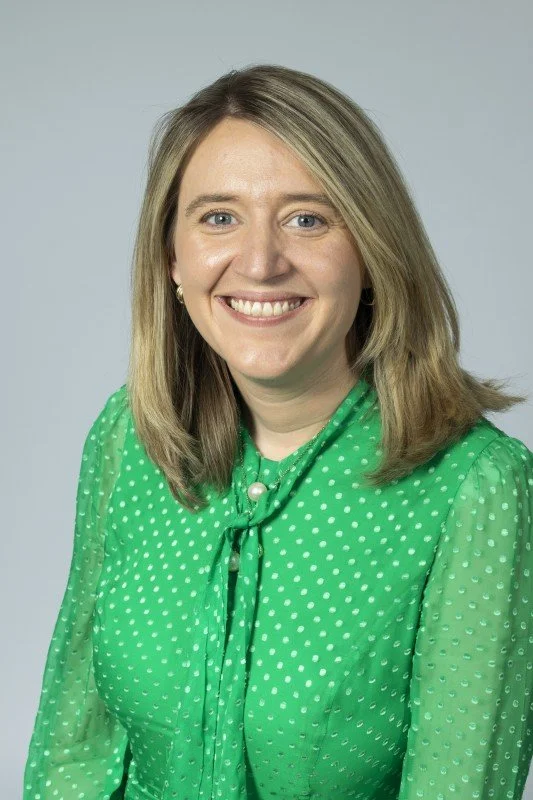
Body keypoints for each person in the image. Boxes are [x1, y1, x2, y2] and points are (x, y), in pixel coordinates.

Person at [23, 63, 533, 800]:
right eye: (219, 217)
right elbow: (73, 751)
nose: (260, 262)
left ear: (371, 252)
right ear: (173, 256)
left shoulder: (474, 490)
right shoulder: (128, 436)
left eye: (307, 218)